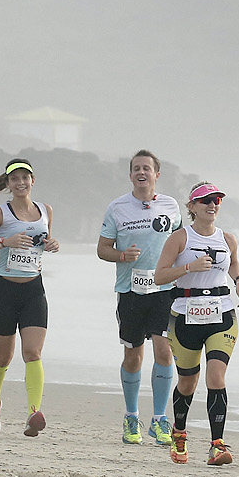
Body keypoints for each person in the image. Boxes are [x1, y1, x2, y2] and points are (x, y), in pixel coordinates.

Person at [154, 183, 239, 465]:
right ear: (192, 207)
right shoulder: (179, 238)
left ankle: (217, 445)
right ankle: (179, 433)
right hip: (185, 314)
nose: (213, 204)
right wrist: (188, 268)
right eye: (205, 200)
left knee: (216, 377)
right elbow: (159, 276)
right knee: (187, 382)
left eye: (217, 200)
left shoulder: (227, 239)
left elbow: (233, 264)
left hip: (222, 313)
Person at [98, 149, 182, 446]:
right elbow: (102, 249)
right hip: (130, 291)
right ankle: (131, 417)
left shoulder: (172, 207)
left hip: (164, 290)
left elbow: (183, 242)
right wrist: (122, 254)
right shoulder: (118, 207)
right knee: (133, 356)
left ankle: (159, 420)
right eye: (136, 168)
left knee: (164, 351)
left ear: (157, 174)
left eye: (147, 168)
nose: (142, 173)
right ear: (130, 174)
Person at [0, 158, 60, 438]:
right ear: (8, 184)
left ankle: (34, 412)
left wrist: (52, 244)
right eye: (14, 178)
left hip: (34, 291)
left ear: (33, 180)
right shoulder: (0, 213)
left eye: (25, 177)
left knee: (32, 353)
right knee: (3, 357)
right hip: (3, 293)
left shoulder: (45, 210)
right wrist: (3, 242)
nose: (20, 182)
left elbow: (44, 243)